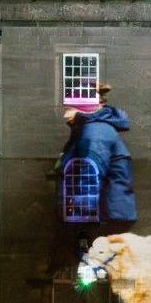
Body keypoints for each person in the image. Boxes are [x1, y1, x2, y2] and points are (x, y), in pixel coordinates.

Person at [60, 83, 137, 232]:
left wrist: (79, 222)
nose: (65, 115)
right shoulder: (93, 129)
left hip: (99, 220)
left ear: (85, 108)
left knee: (91, 254)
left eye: (70, 109)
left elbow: (90, 176)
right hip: (104, 215)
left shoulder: (95, 133)